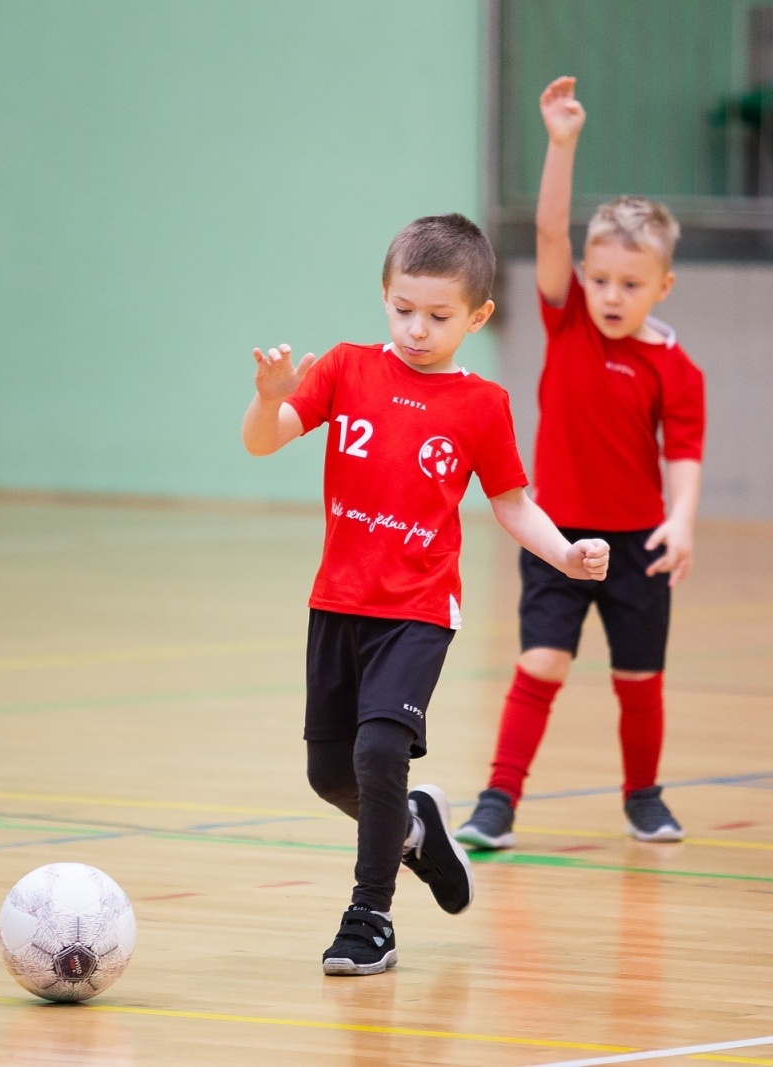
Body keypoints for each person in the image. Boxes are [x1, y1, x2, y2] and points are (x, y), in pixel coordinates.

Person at [242, 213, 609, 976]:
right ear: (384, 295)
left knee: (380, 751)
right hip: (337, 602)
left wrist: (566, 552)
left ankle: (368, 917)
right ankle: (414, 829)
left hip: (415, 609)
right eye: (403, 309)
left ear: (477, 316)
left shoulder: (480, 404)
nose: (416, 328)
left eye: (439, 316)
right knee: (330, 774)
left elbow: (511, 503)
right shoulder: (344, 367)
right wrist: (266, 398)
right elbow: (264, 438)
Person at [455, 77, 706, 851]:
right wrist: (561, 144)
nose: (608, 293)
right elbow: (551, 234)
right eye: (600, 279)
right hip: (558, 537)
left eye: (629, 284)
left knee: (638, 681)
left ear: (661, 286)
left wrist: (681, 520)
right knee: (542, 661)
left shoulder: (676, 367)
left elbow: (685, 452)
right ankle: (498, 800)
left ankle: (644, 797)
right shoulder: (567, 325)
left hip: (637, 546)